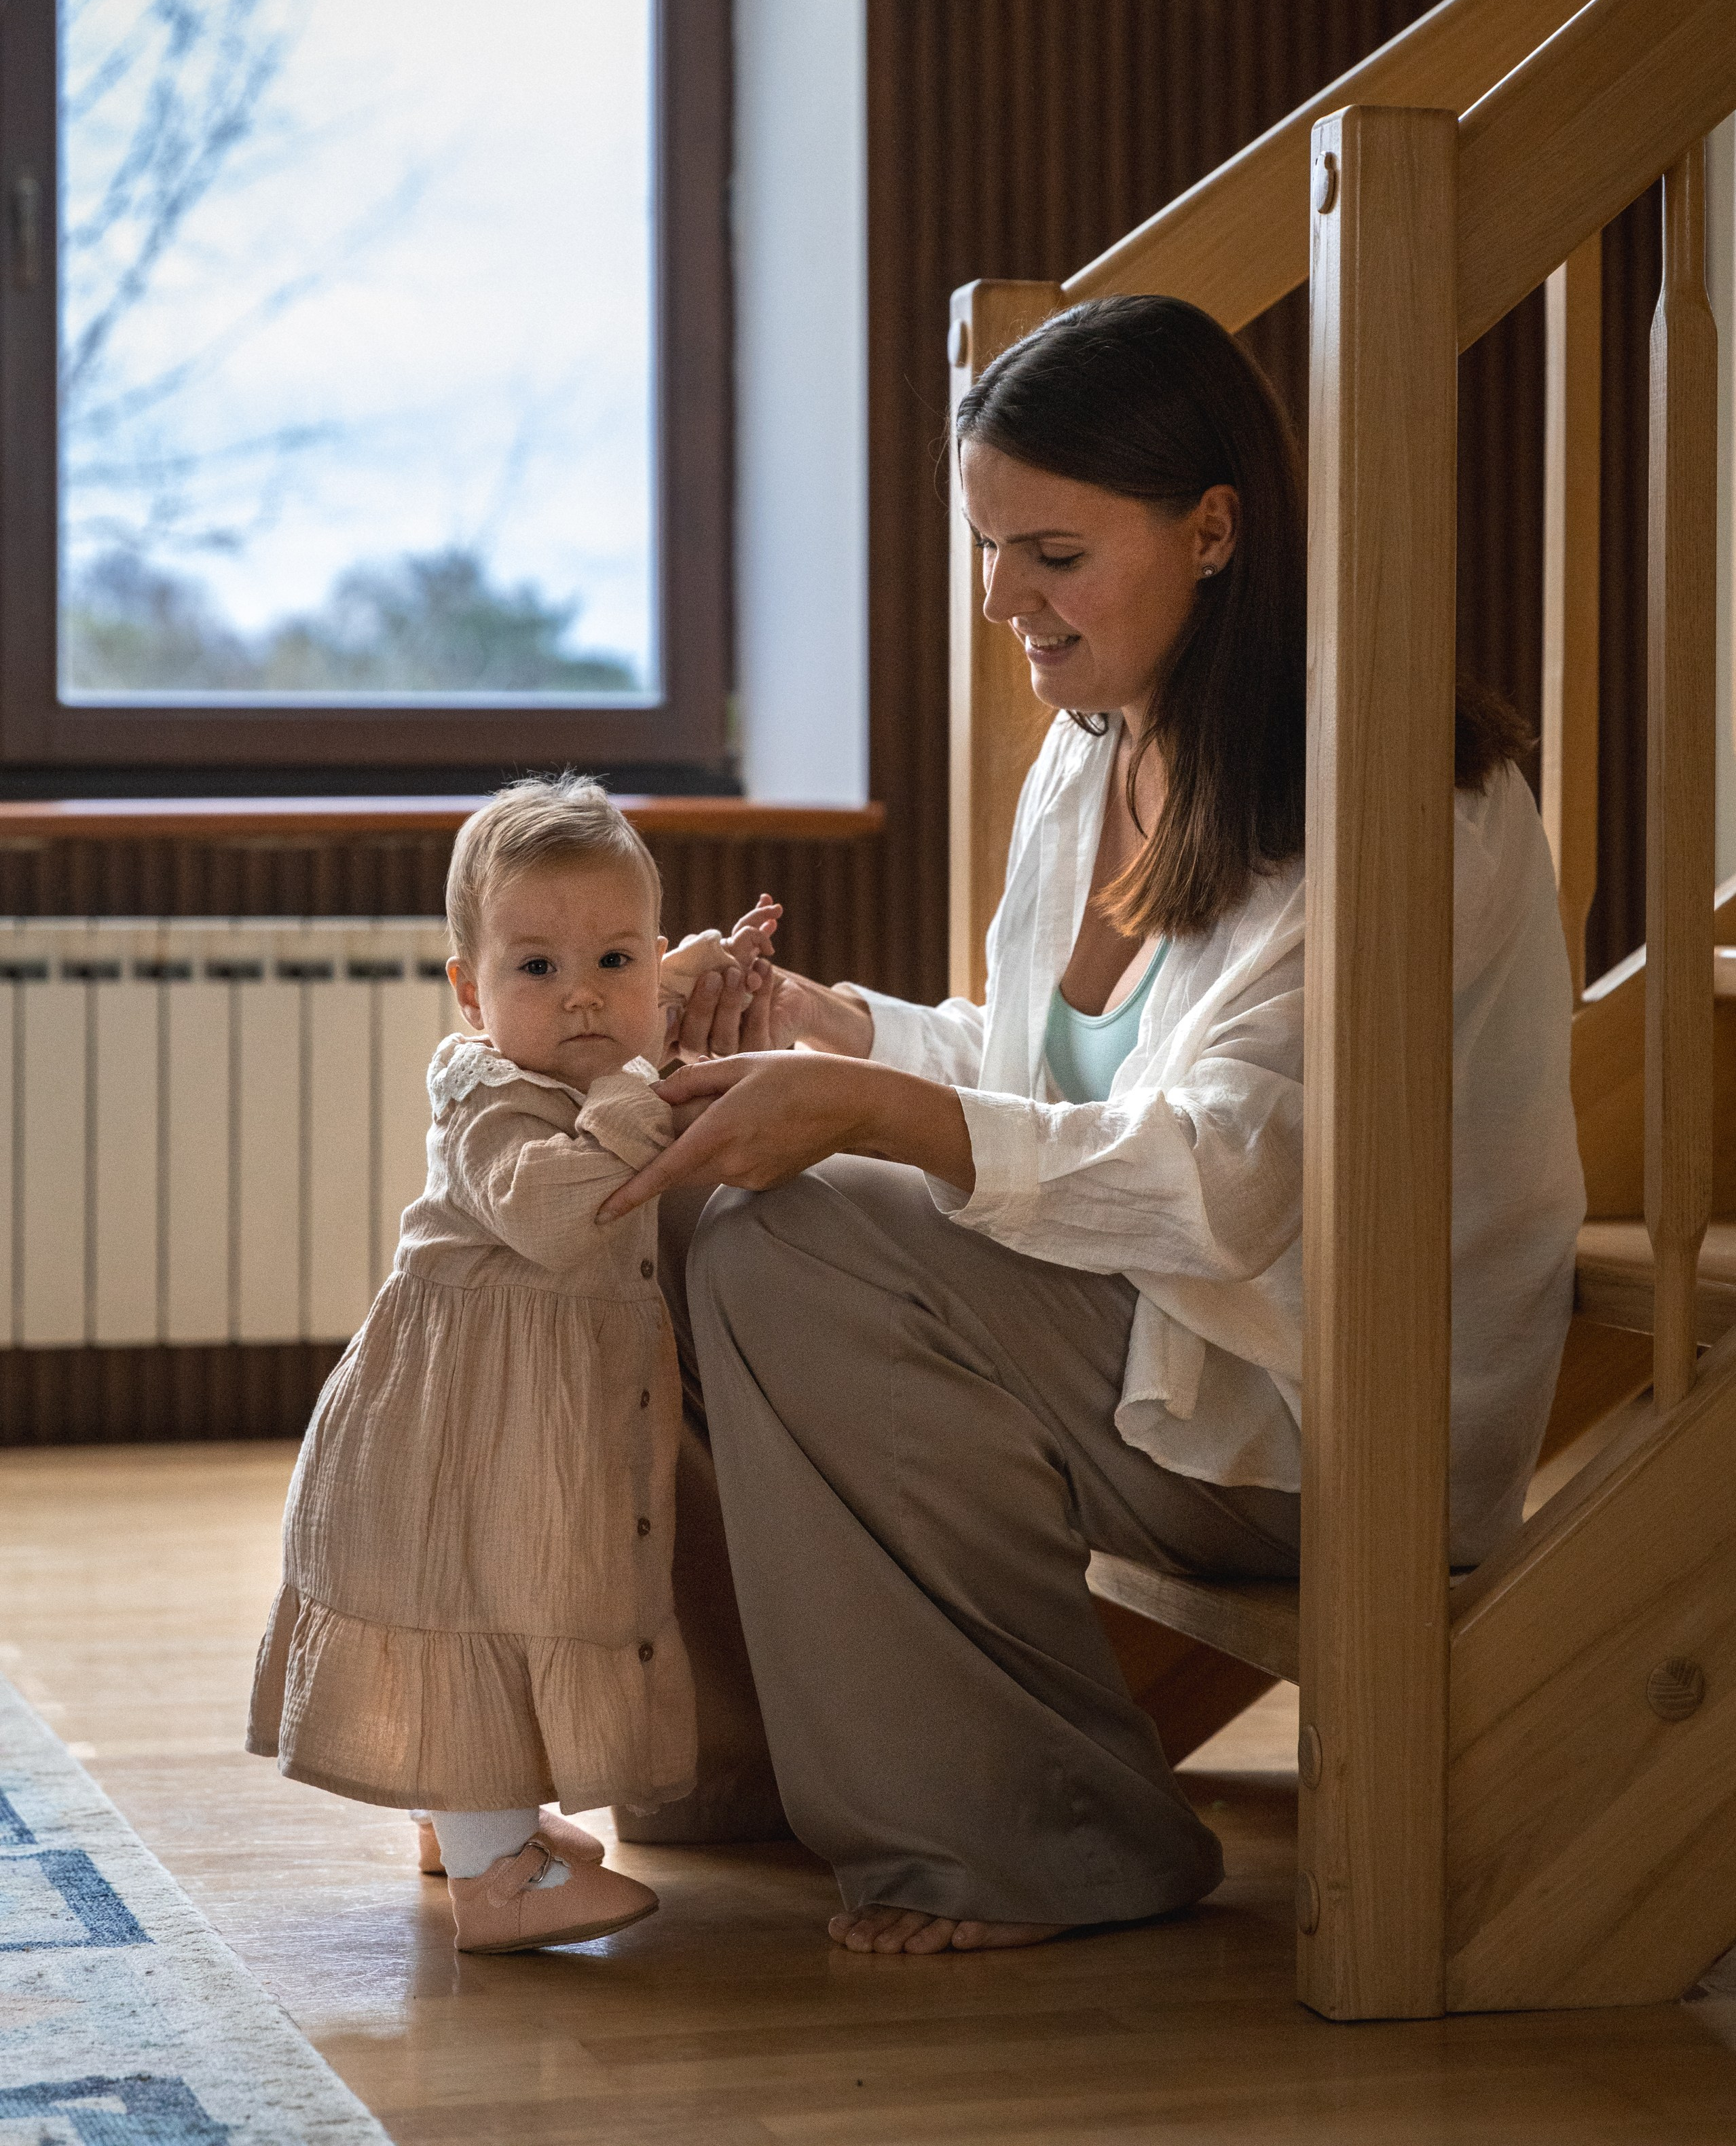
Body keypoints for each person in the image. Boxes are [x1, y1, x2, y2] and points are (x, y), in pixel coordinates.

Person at [602, 293, 1587, 1956]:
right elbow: (1040, 1061)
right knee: (670, 1185)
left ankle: (1048, 1834)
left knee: (795, 1238)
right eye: (991, 549)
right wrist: (823, 1030)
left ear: (1213, 532)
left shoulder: (1401, 797)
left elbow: (1228, 1181)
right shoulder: (1103, 750)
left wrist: (868, 1113)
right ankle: (734, 1756)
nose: (1006, 600)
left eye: (1051, 551)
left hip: (1308, 1392)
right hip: (1151, 1329)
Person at [246, 775, 773, 1955]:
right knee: (475, 1608)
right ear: (470, 992)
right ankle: (500, 1884)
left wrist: (679, 984)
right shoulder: (490, 1094)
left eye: (617, 961)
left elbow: (621, 1033)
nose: (583, 998)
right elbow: (557, 1210)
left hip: (526, 1415)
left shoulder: (588, 1068)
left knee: (521, 1596)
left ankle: (469, 1814)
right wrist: (642, 1081)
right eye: (535, 969)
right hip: (460, 1429)